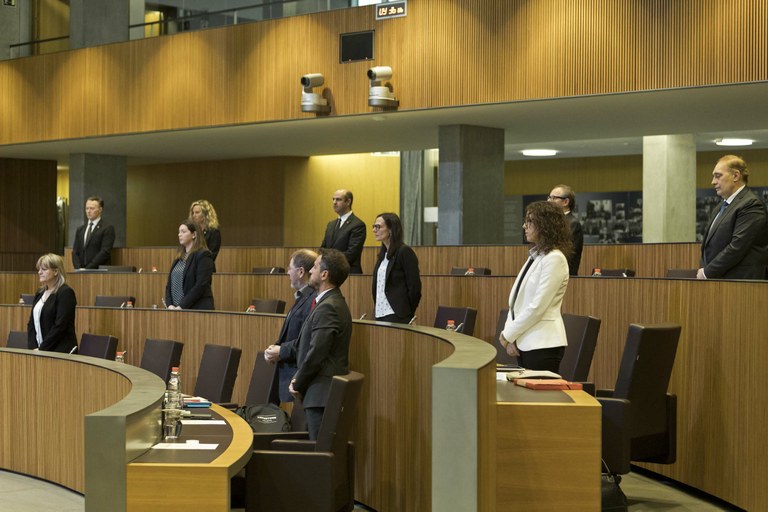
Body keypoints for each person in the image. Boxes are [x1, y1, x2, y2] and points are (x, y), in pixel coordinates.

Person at [499, 201, 572, 372]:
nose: (524, 226)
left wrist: (508, 334)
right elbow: (516, 303)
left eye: (530, 221)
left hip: (542, 344)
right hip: (525, 342)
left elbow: (537, 307)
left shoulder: (555, 259)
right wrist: (511, 337)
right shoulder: (537, 256)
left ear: (545, 225)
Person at [289, 248, 352, 440]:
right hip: (318, 392)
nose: (310, 271)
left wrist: (298, 382)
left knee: (318, 452)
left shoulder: (328, 307)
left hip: (321, 395)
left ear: (324, 275)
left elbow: (316, 352)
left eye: (315, 267)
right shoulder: (329, 302)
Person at [698, 155, 768, 280]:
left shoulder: (751, 204)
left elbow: (737, 247)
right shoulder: (719, 207)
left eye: (718, 176)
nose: (713, 182)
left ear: (736, 176)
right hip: (718, 282)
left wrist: (707, 273)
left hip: (742, 283)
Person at [264, 249, 318, 403]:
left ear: (300, 272)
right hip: (287, 373)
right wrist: (274, 348)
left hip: (297, 379)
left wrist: (281, 350)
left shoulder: (313, 300)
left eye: (290, 268)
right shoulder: (302, 297)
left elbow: (307, 340)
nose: (287, 272)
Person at [371, 212, 421, 323]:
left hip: (397, 314)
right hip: (379, 312)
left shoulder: (404, 251)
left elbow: (414, 286)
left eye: (378, 227)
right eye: (374, 226)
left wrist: (407, 312)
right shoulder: (383, 255)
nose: (374, 230)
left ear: (391, 230)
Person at [27, 253, 78, 353]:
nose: (39, 272)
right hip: (40, 350)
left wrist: (42, 349)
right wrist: (33, 348)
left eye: (44, 269)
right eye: (39, 269)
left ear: (56, 271)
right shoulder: (39, 293)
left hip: (61, 351)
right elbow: (31, 323)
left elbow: (60, 325)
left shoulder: (65, 293)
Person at [165, 219, 215, 310]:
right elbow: (169, 285)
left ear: (194, 234)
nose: (179, 234)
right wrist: (169, 304)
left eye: (183, 232)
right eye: (179, 232)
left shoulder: (204, 255)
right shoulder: (179, 258)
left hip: (197, 309)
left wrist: (182, 306)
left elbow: (201, 285)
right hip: (176, 309)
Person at [320, 189, 366, 274]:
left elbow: (351, 253)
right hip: (329, 273)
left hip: (349, 274)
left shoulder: (358, 225)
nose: (334, 202)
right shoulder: (331, 224)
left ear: (348, 202)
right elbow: (323, 249)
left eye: (338, 199)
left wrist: (329, 262)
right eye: (333, 199)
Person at [72, 196, 116, 269]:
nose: (88, 211)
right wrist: (78, 268)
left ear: (100, 210)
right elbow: (75, 252)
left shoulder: (107, 228)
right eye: (87, 208)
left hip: (98, 270)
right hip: (81, 271)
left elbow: (105, 252)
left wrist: (88, 269)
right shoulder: (80, 229)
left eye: (92, 208)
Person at [548, 184, 583, 276]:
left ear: (566, 202)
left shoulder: (573, 224)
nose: (549, 201)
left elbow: (567, 254)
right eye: (549, 197)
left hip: (564, 276)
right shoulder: (551, 222)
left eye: (554, 198)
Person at [189, 199, 221, 269]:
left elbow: (212, 255)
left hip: (205, 268)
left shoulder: (213, 232)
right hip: (190, 267)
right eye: (193, 213)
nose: (194, 215)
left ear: (206, 214)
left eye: (197, 212)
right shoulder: (192, 231)